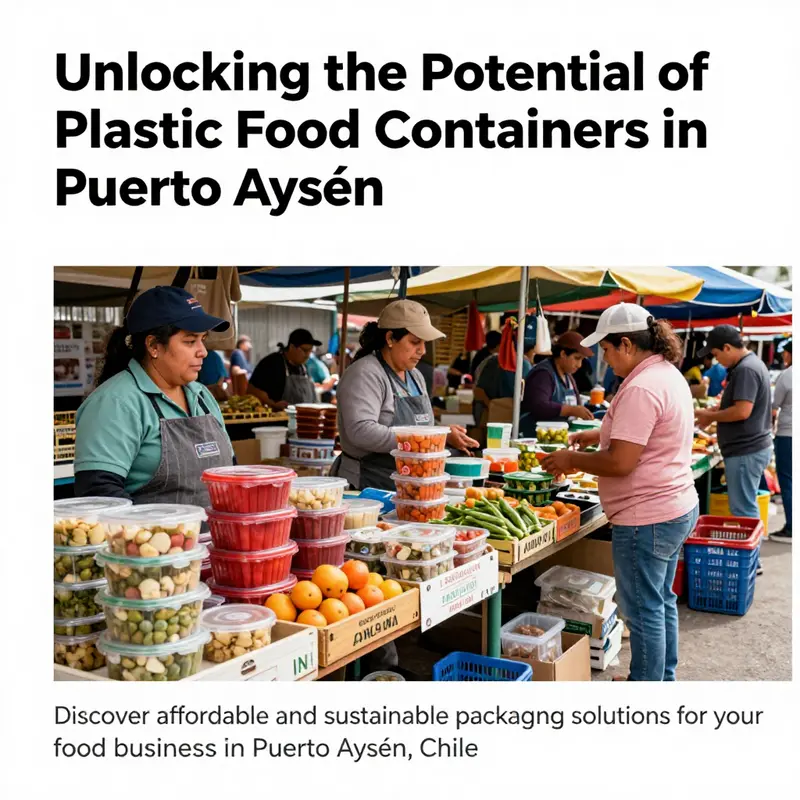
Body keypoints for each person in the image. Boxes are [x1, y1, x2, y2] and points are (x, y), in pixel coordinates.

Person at [540, 304, 699, 682]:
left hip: (648, 516)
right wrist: (598, 435)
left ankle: (645, 689)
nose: (605, 360)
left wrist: (571, 458)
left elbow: (621, 462)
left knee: (643, 611)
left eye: (607, 350)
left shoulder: (642, 386)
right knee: (660, 603)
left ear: (626, 344)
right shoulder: (665, 374)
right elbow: (646, 433)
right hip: (673, 505)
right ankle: (662, 678)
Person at [74, 286, 234, 503]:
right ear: (153, 346)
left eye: (203, 339)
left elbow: (232, 472)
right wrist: (163, 534)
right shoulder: (116, 402)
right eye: (190, 341)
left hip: (215, 536)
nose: (203, 351)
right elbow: (98, 491)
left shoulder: (202, 396)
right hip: (156, 536)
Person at [331, 300, 478, 491]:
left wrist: (443, 435)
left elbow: (421, 427)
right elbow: (361, 431)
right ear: (391, 338)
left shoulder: (415, 375)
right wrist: (429, 438)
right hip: (370, 484)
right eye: (415, 342)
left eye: (424, 343)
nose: (422, 350)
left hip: (411, 483)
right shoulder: (365, 373)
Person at [694, 326, 773, 544]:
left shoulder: (746, 369)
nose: (716, 360)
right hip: (750, 448)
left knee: (743, 508)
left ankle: (752, 560)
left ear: (727, 348)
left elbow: (742, 411)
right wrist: (715, 410)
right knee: (746, 506)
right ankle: (753, 558)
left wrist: (711, 417)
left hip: (746, 450)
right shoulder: (750, 365)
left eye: (717, 354)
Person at [518, 331, 595, 436]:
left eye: (581, 359)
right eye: (577, 358)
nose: (579, 365)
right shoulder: (543, 374)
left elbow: (578, 405)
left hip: (559, 436)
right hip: (536, 437)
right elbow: (539, 406)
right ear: (563, 354)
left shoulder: (569, 377)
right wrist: (570, 410)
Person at [247, 329, 321, 410]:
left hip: (304, 419)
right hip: (277, 419)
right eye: (305, 350)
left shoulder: (303, 368)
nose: (307, 355)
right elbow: (253, 391)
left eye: (310, 351)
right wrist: (272, 404)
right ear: (292, 347)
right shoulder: (272, 363)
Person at [473, 340, 535, 426]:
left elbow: (478, 391)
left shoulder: (492, 360)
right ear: (531, 351)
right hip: (513, 417)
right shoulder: (524, 365)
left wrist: (493, 407)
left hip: (488, 414)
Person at [771, 341, 792, 542]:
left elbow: (774, 406)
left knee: (787, 480)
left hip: (788, 434)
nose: (784, 357)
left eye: (785, 353)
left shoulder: (787, 375)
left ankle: (791, 527)